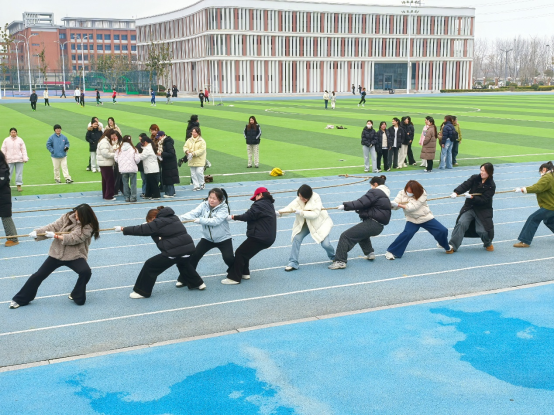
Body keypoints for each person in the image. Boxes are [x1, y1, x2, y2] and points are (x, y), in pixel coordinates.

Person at [10, 204, 100, 309]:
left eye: (78, 216)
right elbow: (53, 227)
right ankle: (20, 299)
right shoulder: (67, 217)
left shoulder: (89, 226)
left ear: (85, 216)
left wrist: (55, 236)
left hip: (75, 255)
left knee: (85, 271)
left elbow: (74, 238)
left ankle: (76, 294)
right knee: (38, 275)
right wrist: (37, 232)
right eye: (76, 214)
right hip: (57, 253)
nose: (76, 217)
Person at [115, 206, 205, 298]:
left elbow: (141, 230)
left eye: (149, 222)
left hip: (174, 252)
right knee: (183, 263)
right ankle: (198, 283)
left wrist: (123, 229)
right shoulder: (173, 217)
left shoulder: (157, 223)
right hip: (187, 249)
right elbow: (152, 227)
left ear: (153, 218)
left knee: (150, 265)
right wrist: (148, 225)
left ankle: (142, 292)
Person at [329, 176, 391, 269]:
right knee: (362, 234)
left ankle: (340, 261)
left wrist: (345, 206)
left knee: (345, 236)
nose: (371, 187)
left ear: (375, 184)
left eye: (371, 185)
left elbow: (361, 203)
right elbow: (367, 206)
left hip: (373, 223)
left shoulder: (375, 192)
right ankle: (369, 253)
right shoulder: (385, 194)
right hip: (379, 226)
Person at [385, 180, 452, 260]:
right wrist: (391, 205)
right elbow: (396, 204)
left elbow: (413, 207)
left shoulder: (422, 193)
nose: (408, 193)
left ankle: (443, 244)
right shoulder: (402, 193)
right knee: (407, 234)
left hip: (425, 217)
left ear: (416, 191)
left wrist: (399, 205)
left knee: (442, 230)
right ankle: (391, 251)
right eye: (407, 191)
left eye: (411, 192)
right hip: (412, 219)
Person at [223, 187, 277, 284]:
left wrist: (233, 217)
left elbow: (248, 216)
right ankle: (245, 273)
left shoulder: (259, 204)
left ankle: (234, 278)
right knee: (245, 253)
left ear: (260, 195)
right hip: (268, 237)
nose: (255, 200)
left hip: (260, 237)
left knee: (240, 252)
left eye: (255, 197)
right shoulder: (269, 204)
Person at [277, 184, 335, 271]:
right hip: (306, 224)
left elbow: (315, 214)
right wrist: (279, 213)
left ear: (309, 196)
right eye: (300, 196)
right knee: (297, 238)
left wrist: (301, 213)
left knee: (325, 244)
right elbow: (289, 208)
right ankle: (293, 262)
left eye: (304, 197)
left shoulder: (316, 198)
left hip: (319, 224)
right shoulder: (299, 199)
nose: (301, 199)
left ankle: (334, 257)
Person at [180, 188, 234, 278]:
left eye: (214, 198)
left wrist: (200, 220)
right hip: (207, 238)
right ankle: (185, 278)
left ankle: (239, 272)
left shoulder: (224, 208)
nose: (211, 200)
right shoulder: (204, 205)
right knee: (194, 256)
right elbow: (193, 213)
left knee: (229, 258)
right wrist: (179, 219)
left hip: (223, 238)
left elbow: (216, 221)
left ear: (220, 200)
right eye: (210, 197)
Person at [448, 163, 496, 253]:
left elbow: (484, 200)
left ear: (489, 172)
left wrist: (472, 197)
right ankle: (452, 246)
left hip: (482, 210)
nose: (481, 172)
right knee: (461, 223)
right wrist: (456, 192)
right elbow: (465, 185)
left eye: (484, 171)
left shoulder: (491, 185)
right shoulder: (475, 178)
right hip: (470, 207)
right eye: (481, 170)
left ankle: (488, 243)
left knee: (483, 230)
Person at [513, 161, 554, 248]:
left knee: (533, 219)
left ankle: (525, 241)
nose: (540, 174)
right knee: (549, 221)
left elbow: (537, 187)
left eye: (540, 171)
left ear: (544, 169)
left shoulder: (547, 177)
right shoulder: (552, 176)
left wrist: (522, 189)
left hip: (550, 206)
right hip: (551, 205)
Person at [0, 150, 19, 247]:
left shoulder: (3, 168)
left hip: (3, 198)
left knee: (6, 217)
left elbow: (1, 182)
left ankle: (13, 238)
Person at [115, 135, 141, 203]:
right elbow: (137, 159)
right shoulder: (134, 149)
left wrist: (121, 163)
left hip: (123, 169)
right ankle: (133, 197)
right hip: (132, 168)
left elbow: (116, 159)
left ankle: (127, 197)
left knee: (125, 183)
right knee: (133, 184)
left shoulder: (119, 149)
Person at [2, 128, 29, 192]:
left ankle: (19, 186)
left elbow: (23, 149)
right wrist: (2, 159)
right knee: (8, 173)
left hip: (19, 159)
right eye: (12, 132)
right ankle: (7, 186)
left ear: (16, 133)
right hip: (9, 159)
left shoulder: (20, 140)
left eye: (14, 132)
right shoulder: (6, 140)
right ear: (10, 133)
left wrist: (25, 158)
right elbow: (3, 150)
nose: (13, 133)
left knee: (19, 173)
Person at [156, 131, 180, 198]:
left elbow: (171, 153)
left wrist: (161, 154)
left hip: (169, 163)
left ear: (163, 136)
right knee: (168, 177)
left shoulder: (167, 143)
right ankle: (171, 192)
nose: (158, 138)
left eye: (159, 137)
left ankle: (170, 193)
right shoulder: (165, 142)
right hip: (168, 163)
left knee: (169, 178)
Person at [184, 126, 207, 191]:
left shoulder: (202, 141)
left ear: (198, 133)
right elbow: (185, 147)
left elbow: (202, 150)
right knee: (193, 174)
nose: (193, 133)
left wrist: (193, 153)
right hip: (191, 159)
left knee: (199, 172)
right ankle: (196, 185)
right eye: (193, 132)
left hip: (199, 159)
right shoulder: (189, 140)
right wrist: (186, 151)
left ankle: (202, 183)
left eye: (195, 132)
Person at [96, 129, 117, 201]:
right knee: (109, 180)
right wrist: (115, 154)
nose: (114, 137)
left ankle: (106, 194)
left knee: (106, 180)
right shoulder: (104, 142)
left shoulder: (105, 141)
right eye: (113, 135)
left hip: (105, 163)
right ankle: (108, 196)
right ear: (109, 134)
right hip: (106, 164)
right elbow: (105, 154)